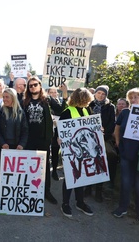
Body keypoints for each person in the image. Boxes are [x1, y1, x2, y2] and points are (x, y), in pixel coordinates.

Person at [112, 88, 139, 223]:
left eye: (136, 97)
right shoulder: (125, 113)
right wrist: (118, 141)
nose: (133, 100)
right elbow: (117, 127)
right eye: (131, 98)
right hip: (126, 153)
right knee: (125, 182)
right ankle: (122, 207)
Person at [58, 87, 95, 218]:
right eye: (86, 100)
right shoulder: (67, 112)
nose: (88, 103)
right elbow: (60, 131)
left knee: (82, 177)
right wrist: (58, 138)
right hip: (71, 150)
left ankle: (80, 202)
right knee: (70, 176)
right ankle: (65, 204)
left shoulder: (86, 110)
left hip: (85, 150)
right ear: (81, 99)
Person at [22, 76, 57, 204]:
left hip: (43, 139)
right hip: (29, 139)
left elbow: (60, 108)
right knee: (30, 165)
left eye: (35, 84)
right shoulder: (24, 101)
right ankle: (30, 190)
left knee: (45, 166)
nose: (33, 87)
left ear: (40, 85)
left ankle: (46, 191)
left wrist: (64, 94)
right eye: (30, 85)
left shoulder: (47, 100)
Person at [0, 88, 28, 208]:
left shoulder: (21, 113)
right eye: (3, 97)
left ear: (13, 98)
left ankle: (11, 198)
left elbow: (25, 131)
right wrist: (2, 143)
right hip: (2, 148)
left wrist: (21, 144)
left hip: (16, 149)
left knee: (13, 175)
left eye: (7, 97)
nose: (4, 99)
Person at [86, 85, 116, 202]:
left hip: (103, 139)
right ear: (95, 93)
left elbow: (111, 123)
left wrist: (104, 135)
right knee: (89, 162)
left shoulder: (110, 107)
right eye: (99, 93)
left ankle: (99, 190)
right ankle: (88, 188)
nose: (101, 95)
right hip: (88, 138)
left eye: (103, 94)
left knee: (101, 164)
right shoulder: (89, 104)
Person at [47, 84, 68, 181]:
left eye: (55, 92)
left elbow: (62, 109)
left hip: (60, 128)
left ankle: (54, 169)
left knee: (56, 149)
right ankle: (52, 170)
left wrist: (64, 92)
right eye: (51, 92)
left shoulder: (59, 101)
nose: (53, 94)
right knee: (52, 149)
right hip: (50, 129)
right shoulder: (47, 101)